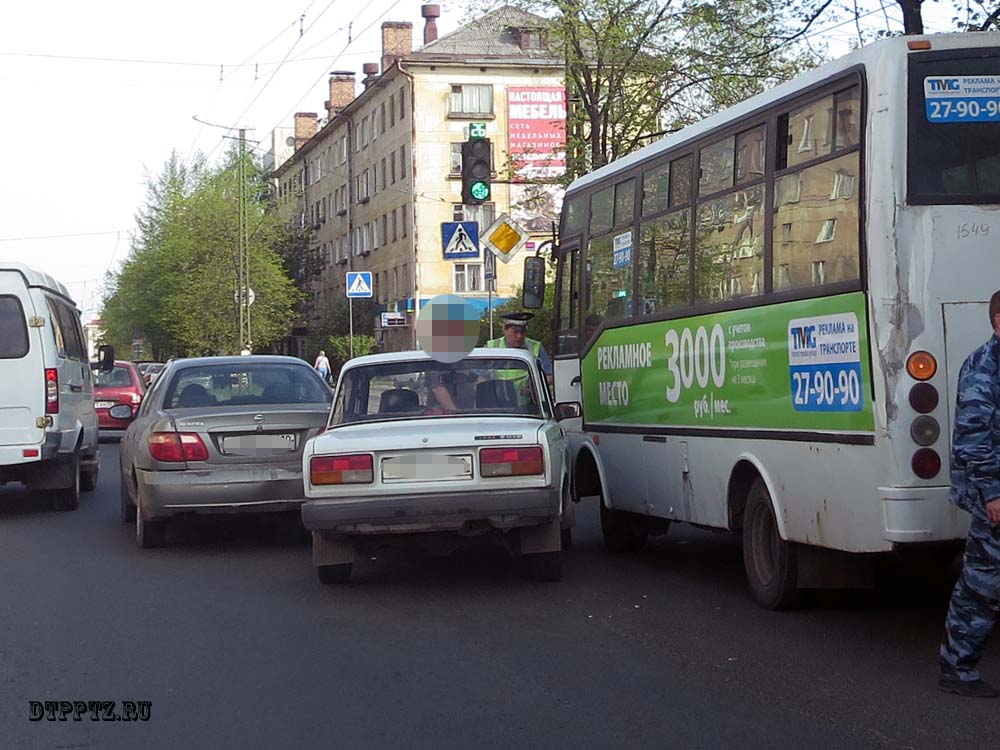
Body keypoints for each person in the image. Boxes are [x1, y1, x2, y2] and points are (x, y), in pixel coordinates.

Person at [939, 290, 1000, 698]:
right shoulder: (983, 369)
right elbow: (973, 441)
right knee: (984, 584)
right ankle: (956, 667)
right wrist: (994, 495)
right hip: (993, 493)